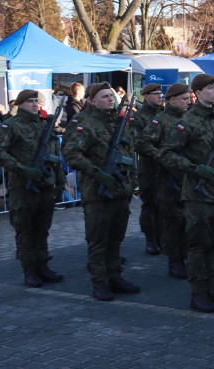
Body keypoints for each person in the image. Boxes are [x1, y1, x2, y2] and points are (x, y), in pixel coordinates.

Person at [160, 74, 214, 313]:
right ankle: (198, 293)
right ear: (197, 92)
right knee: (197, 244)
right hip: (197, 193)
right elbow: (166, 153)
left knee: (213, 243)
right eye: (209, 88)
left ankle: (211, 286)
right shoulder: (188, 121)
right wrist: (195, 169)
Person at [63, 82, 141, 301]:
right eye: (105, 96)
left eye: (112, 96)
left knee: (116, 239)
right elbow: (71, 154)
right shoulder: (83, 123)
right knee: (98, 241)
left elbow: (129, 152)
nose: (111, 99)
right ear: (92, 100)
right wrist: (98, 173)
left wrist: (130, 182)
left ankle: (115, 276)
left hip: (120, 191)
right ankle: (99, 282)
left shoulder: (119, 122)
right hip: (98, 192)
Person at [0, 90, 65, 287]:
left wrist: (59, 180)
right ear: (20, 104)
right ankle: (29, 270)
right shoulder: (11, 126)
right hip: (23, 188)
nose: (34, 104)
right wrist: (23, 170)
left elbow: (54, 155)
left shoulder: (44, 125)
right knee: (26, 231)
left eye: (36, 101)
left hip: (45, 185)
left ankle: (43, 266)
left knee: (42, 230)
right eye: (30, 101)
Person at [150, 83, 190, 278]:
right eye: (184, 99)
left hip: (186, 177)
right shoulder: (160, 121)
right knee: (173, 222)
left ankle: (185, 256)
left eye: (189, 99)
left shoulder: (188, 119)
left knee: (186, 220)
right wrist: (165, 159)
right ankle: (174, 260)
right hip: (168, 179)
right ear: (172, 100)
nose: (188, 102)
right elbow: (143, 143)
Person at [131, 83, 165, 254]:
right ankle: (150, 239)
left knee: (164, 205)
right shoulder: (140, 117)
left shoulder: (164, 114)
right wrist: (162, 155)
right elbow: (139, 144)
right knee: (150, 205)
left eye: (161, 93)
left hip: (167, 168)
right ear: (145, 96)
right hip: (149, 168)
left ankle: (162, 237)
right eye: (156, 94)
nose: (160, 96)